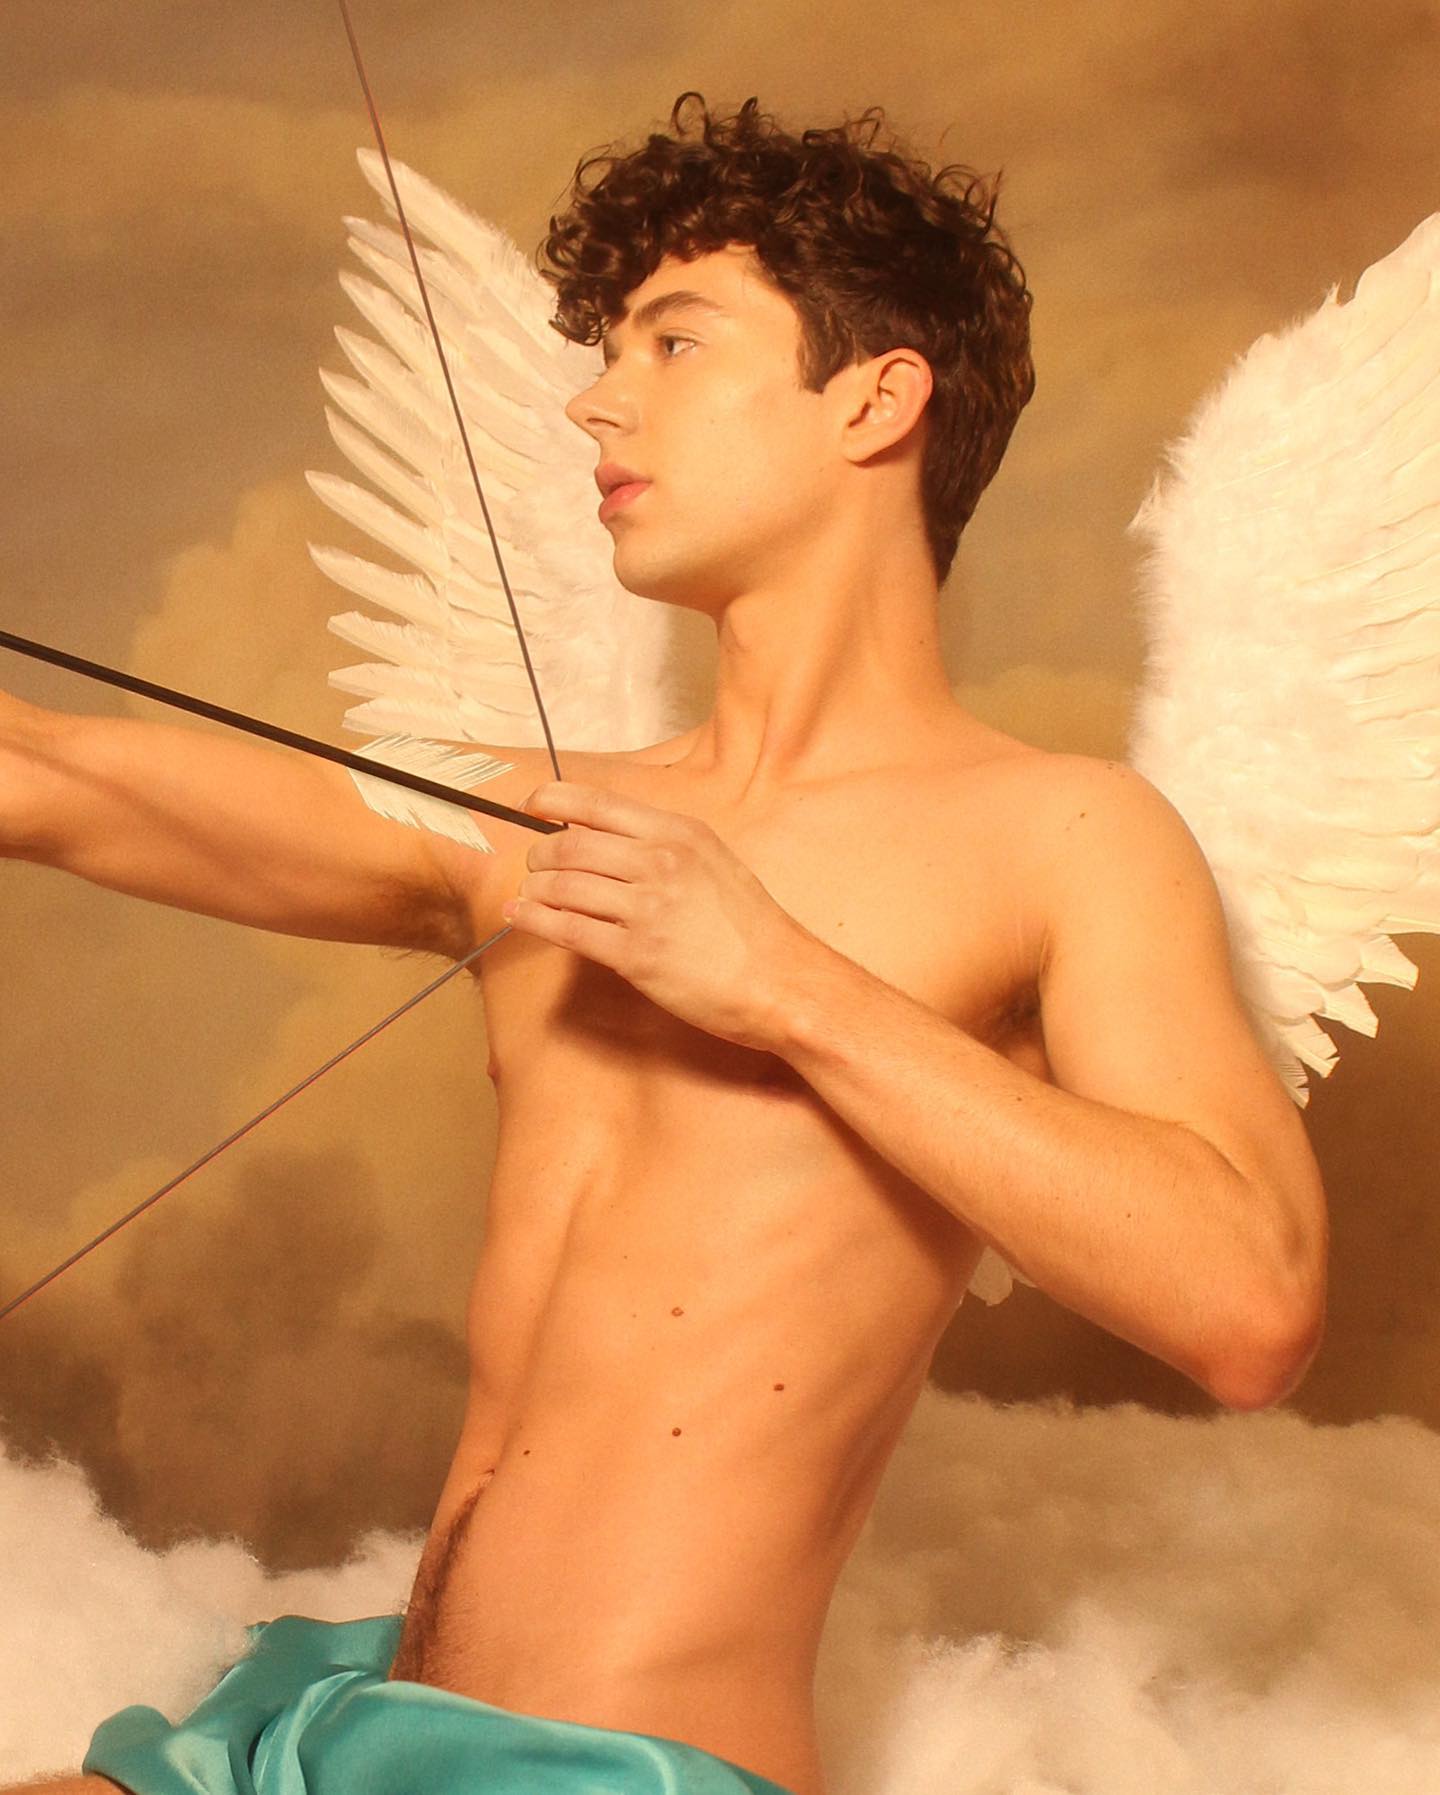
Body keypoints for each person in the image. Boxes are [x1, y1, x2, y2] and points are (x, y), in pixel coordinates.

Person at [1, 93, 1327, 1795]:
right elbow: (48, 779)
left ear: (876, 400)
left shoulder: (1063, 837)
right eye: (608, 349)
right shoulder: (540, 815)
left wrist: (783, 983)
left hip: (614, 1772)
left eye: (674, 342)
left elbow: (1250, 1299)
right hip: (330, 1729)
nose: (596, 399)